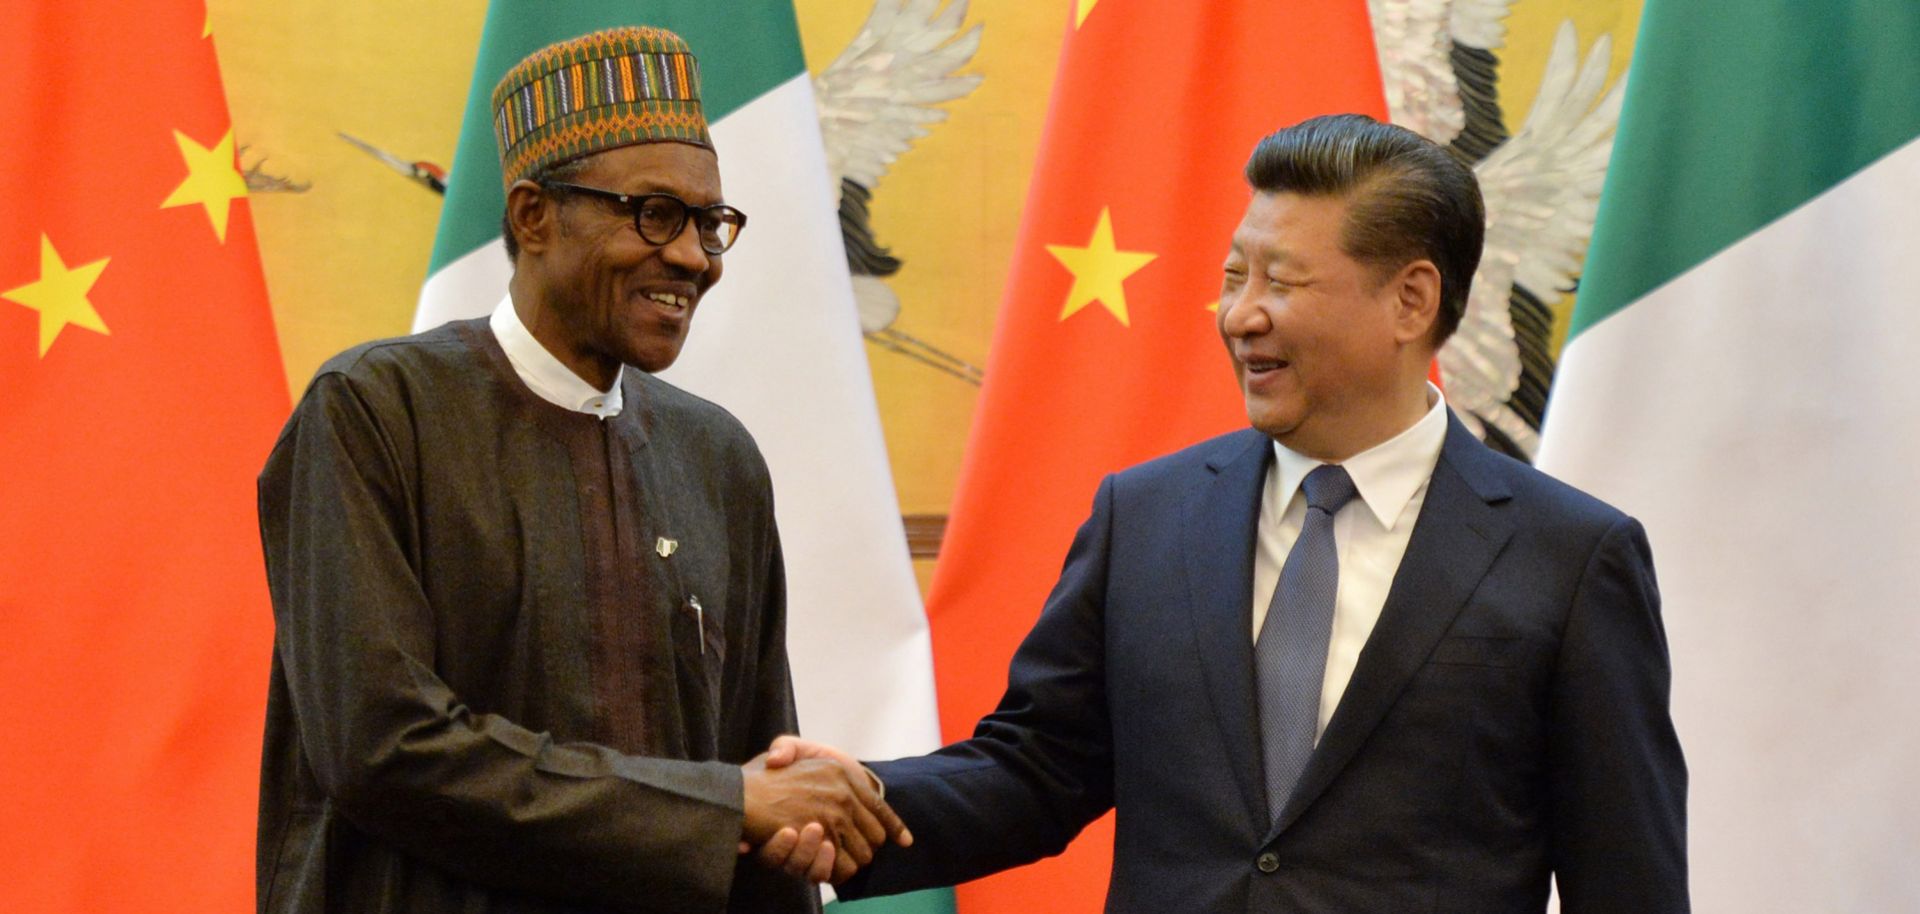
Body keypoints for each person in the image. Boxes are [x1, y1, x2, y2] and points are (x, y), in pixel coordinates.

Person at [769, 114, 1689, 912]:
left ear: (1411, 299)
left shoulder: (1570, 558)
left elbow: (1627, 881)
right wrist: (848, 801)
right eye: (1233, 276)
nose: (1240, 315)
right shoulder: (1147, 516)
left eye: (1280, 283)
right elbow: (1037, 773)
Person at [255, 26, 904, 914]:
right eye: (654, 214)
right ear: (533, 216)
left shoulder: (716, 459)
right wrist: (728, 805)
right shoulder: (373, 412)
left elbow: (756, 782)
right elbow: (382, 747)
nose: (693, 259)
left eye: (711, 224)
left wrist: (766, 808)